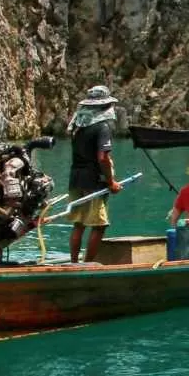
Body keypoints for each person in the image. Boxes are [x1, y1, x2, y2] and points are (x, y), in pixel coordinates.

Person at [65, 84, 121, 263]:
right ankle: (88, 264)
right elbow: (103, 157)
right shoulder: (103, 127)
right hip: (93, 180)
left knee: (79, 223)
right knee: (99, 225)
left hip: (76, 177)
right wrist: (111, 182)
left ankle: (74, 262)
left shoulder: (78, 126)